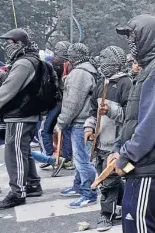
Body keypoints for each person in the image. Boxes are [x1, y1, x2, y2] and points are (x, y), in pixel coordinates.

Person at [111, 14, 155, 233]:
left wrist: (127, 155)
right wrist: (119, 149)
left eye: (133, 37)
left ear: (147, 38)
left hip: (149, 164)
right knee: (134, 223)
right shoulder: (152, 68)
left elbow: (152, 123)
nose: (130, 44)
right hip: (142, 163)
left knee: (139, 226)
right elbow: (133, 119)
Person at [0, 28, 43, 210]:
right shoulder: (30, 59)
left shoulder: (23, 63)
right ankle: (32, 184)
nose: (7, 46)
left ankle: (17, 192)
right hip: (24, 113)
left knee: (14, 153)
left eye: (10, 42)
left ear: (19, 43)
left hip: (20, 114)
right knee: (23, 151)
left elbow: (8, 88)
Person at [83, 46, 131, 231]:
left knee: (109, 180)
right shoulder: (100, 84)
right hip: (100, 143)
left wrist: (111, 111)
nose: (101, 62)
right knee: (110, 178)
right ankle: (124, 205)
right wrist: (89, 128)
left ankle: (106, 215)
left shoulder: (126, 84)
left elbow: (130, 116)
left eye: (104, 58)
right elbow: (92, 112)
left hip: (117, 145)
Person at [57, 43, 98, 208]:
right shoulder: (90, 70)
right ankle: (78, 186)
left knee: (82, 160)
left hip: (80, 121)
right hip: (84, 119)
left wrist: (61, 122)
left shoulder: (80, 73)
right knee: (80, 157)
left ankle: (89, 192)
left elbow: (72, 103)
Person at [38, 41, 74, 170]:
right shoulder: (70, 64)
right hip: (65, 101)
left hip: (59, 101)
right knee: (65, 130)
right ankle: (66, 158)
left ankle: (50, 156)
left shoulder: (56, 64)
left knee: (47, 129)